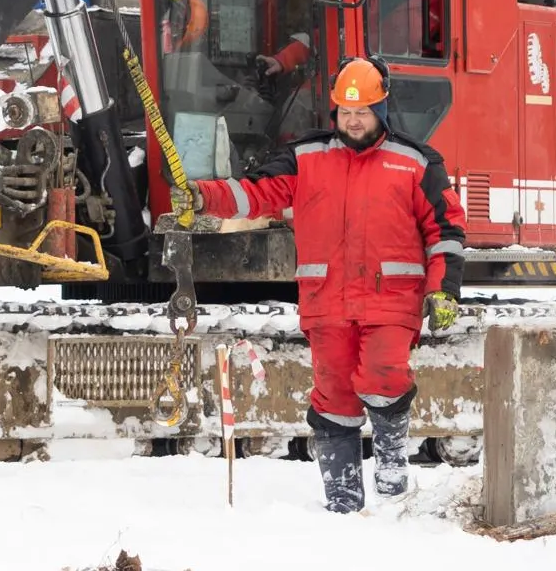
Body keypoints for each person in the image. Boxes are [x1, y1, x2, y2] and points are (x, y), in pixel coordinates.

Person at [178, 57, 467, 513]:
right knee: (333, 399)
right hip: (327, 302)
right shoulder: (305, 157)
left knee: (383, 376)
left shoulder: (416, 162)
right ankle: (342, 500)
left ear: (382, 109)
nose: (353, 121)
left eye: (363, 112)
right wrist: (202, 196)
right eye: (346, 112)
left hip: (391, 300)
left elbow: (445, 232)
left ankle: (392, 466)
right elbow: (256, 192)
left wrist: (444, 290)